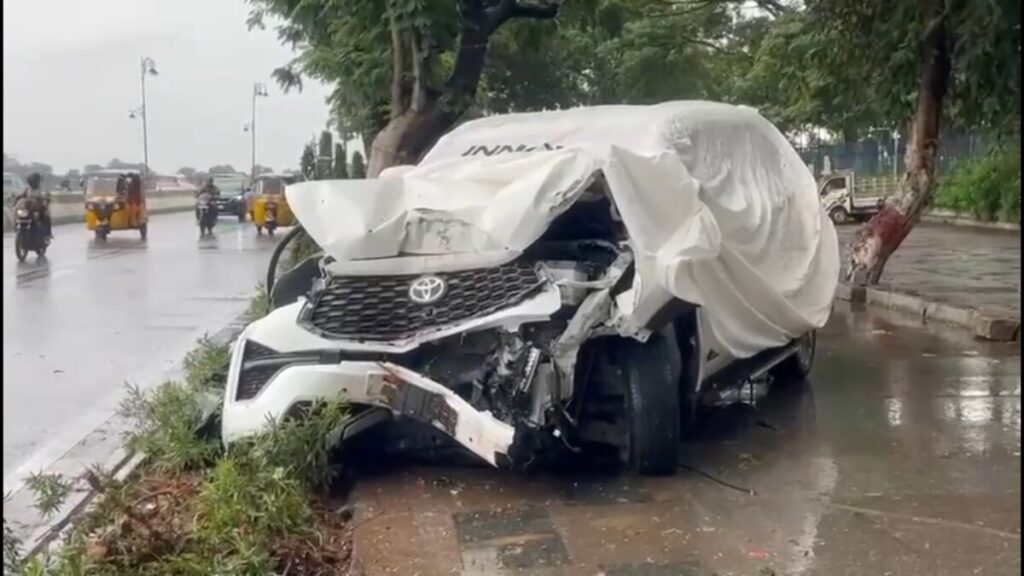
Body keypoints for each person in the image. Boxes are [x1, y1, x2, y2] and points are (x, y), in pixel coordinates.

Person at [20, 172, 52, 239]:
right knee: (19, 215)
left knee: (46, 217)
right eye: (31, 182)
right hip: (28, 208)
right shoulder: (27, 188)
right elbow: (22, 195)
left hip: (39, 208)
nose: (32, 183)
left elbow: (46, 196)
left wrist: (46, 199)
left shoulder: (42, 188)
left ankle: (48, 234)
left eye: (33, 181)